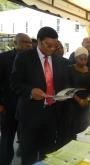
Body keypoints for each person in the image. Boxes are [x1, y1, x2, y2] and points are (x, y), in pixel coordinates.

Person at [11, 27, 69, 165]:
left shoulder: (59, 61)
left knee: (48, 154)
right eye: (49, 45)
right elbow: (14, 83)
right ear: (39, 41)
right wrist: (30, 91)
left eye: (55, 46)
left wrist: (64, 94)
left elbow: (63, 84)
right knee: (28, 154)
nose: (52, 49)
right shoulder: (24, 57)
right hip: (30, 115)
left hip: (51, 115)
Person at [0, 33, 32, 165]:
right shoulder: (3, 58)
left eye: (30, 42)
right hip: (8, 107)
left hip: (27, 108)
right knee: (7, 140)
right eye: (24, 42)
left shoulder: (33, 60)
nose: (28, 45)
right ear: (15, 43)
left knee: (26, 140)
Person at [63, 47, 90, 143]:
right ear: (75, 58)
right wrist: (79, 100)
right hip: (73, 104)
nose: (83, 61)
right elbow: (67, 87)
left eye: (85, 59)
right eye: (80, 59)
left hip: (88, 105)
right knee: (73, 129)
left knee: (86, 127)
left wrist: (87, 99)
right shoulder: (69, 70)